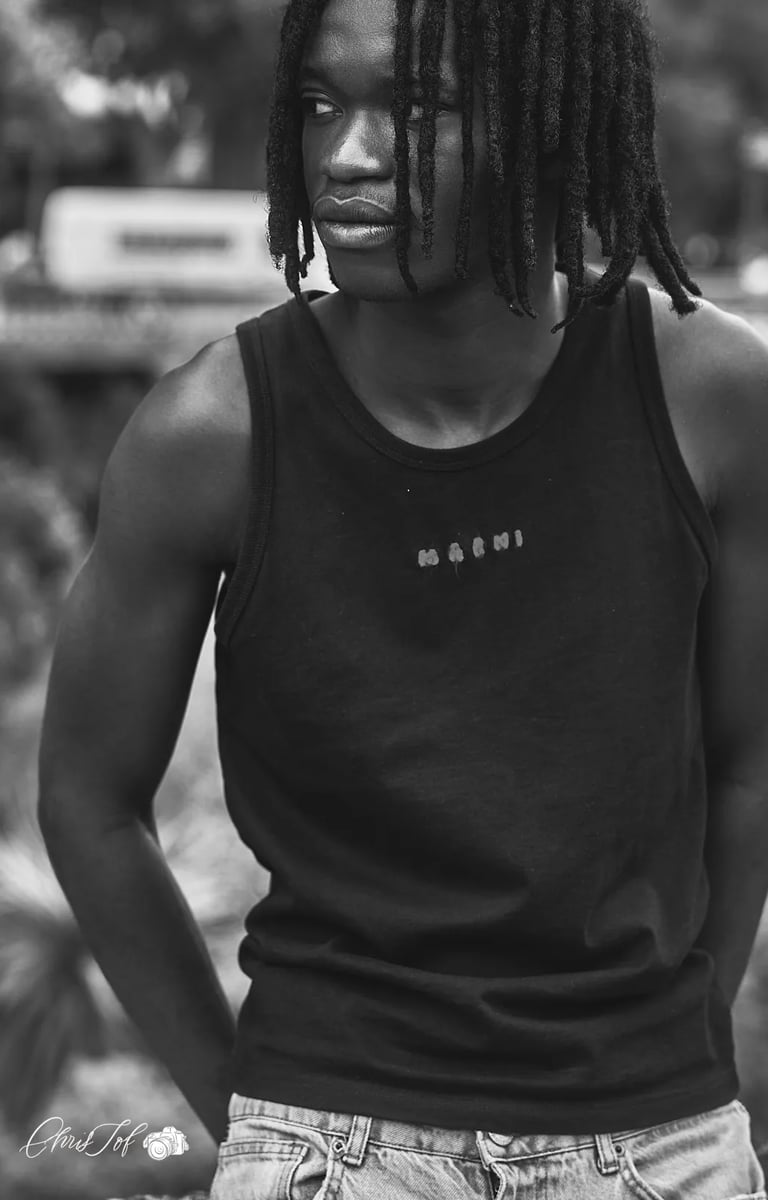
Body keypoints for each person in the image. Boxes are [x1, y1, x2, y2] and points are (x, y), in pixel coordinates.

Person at [38, 0, 768, 1197]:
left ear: (546, 124)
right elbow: (85, 798)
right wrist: (258, 1118)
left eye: (418, 111)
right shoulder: (209, 434)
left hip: (660, 1141)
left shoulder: (714, 394)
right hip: (328, 1137)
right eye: (321, 106)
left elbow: (749, 765)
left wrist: (682, 1053)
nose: (348, 157)